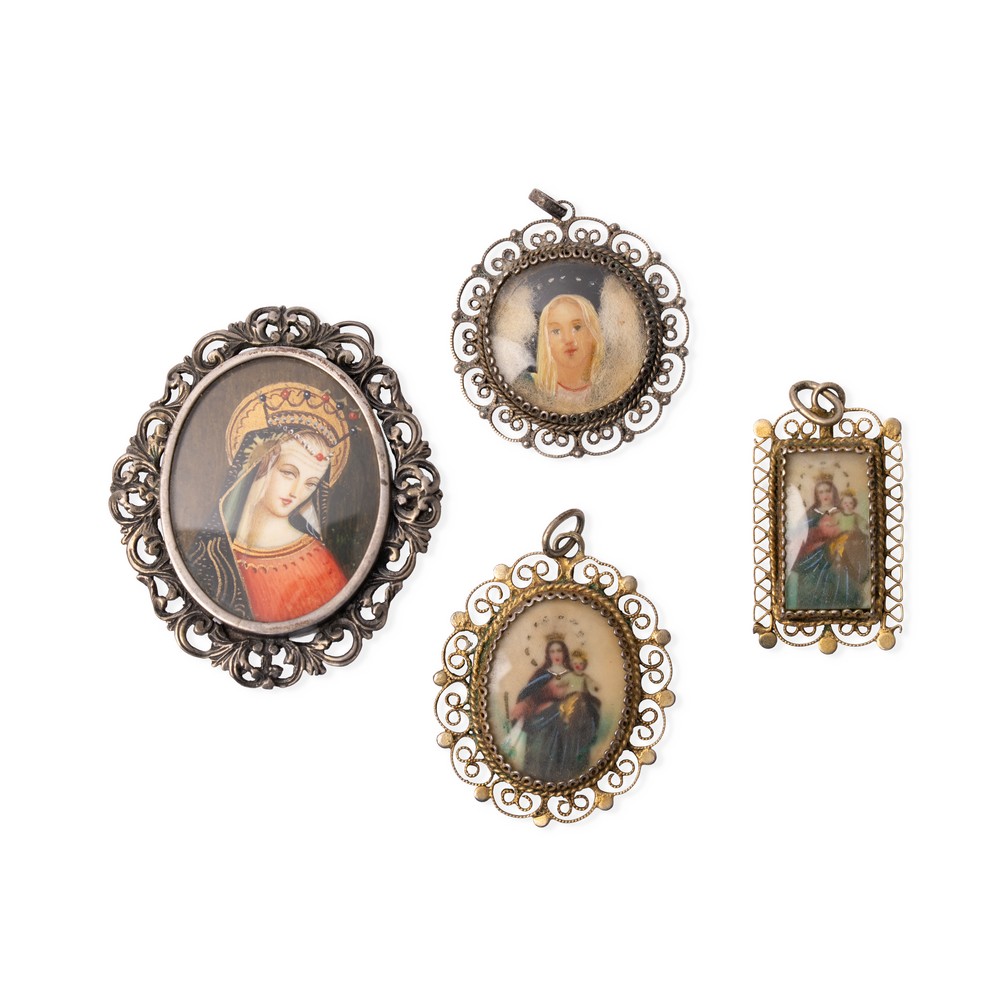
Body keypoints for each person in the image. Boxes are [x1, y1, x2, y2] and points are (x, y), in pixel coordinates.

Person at [185, 382, 352, 624]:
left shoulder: (317, 561)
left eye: (310, 484)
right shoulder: (212, 553)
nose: (296, 492)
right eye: (288, 473)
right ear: (259, 466)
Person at [509, 638, 602, 783]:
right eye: (552, 651)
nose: (556, 654)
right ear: (548, 654)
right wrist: (536, 703)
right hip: (542, 718)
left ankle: (571, 770)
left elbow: (587, 695)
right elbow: (529, 696)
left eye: (559, 650)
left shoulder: (574, 674)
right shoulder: (541, 674)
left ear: (565, 653)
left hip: (568, 719)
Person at [515, 294, 605, 410]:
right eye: (556, 331)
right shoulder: (528, 386)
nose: (568, 339)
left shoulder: (610, 388)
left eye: (577, 327)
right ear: (546, 341)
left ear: (593, 333)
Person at [790, 474, 865, 609]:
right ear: (816, 494)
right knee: (812, 585)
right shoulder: (811, 513)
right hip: (813, 557)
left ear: (833, 492)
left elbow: (855, 530)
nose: (825, 495)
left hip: (839, 556)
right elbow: (800, 534)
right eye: (821, 492)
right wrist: (818, 535)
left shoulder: (842, 511)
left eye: (828, 491)